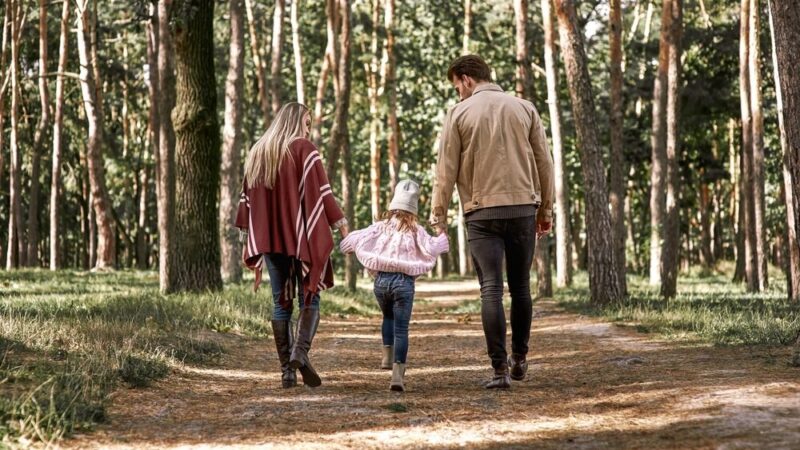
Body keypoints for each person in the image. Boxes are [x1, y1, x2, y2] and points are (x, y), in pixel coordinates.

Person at [430, 55, 554, 389]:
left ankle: (499, 370)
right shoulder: (525, 108)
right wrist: (546, 211)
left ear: (466, 79)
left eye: (457, 85)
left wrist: (438, 215)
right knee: (521, 286)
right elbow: (545, 163)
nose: (457, 93)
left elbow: (445, 170)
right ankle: (521, 358)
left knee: (491, 290)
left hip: (481, 212)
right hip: (523, 209)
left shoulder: (458, 114)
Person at [235, 102, 348, 389]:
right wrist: (340, 223)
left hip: (269, 239)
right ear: (295, 121)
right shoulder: (304, 149)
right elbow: (323, 193)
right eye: (307, 123)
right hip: (301, 239)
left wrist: (248, 235)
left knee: (280, 301)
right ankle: (300, 353)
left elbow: (247, 199)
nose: (309, 130)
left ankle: (287, 371)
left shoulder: (258, 151)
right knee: (310, 293)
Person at [340, 180, 449, 391]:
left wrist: (351, 243)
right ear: (414, 208)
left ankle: (386, 357)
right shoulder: (417, 231)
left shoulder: (379, 228)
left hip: (380, 283)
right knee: (402, 328)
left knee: (387, 317)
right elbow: (437, 246)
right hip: (404, 283)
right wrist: (441, 231)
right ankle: (397, 376)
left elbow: (348, 243)